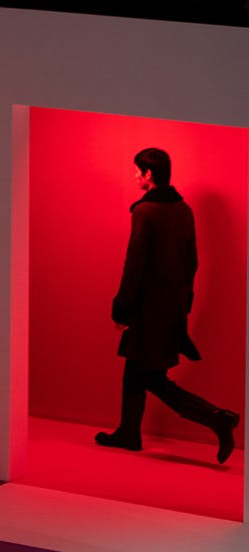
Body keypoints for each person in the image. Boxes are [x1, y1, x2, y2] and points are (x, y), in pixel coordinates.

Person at [96, 148, 240, 463]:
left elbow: (134, 266)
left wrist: (121, 308)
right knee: (136, 371)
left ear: (148, 175)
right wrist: (183, 304)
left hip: (147, 310)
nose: (134, 175)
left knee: (151, 377)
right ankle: (128, 432)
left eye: (137, 170)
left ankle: (217, 418)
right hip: (171, 309)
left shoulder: (145, 211)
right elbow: (192, 263)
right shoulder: (184, 210)